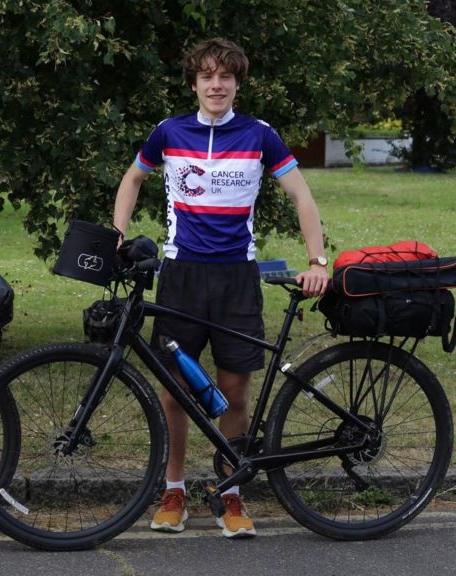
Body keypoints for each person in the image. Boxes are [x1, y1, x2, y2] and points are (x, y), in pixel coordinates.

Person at [112, 38, 329, 539]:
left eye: (225, 77)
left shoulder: (259, 135)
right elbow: (132, 180)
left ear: (236, 84)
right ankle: (174, 489)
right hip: (182, 275)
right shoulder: (168, 132)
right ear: (194, 83)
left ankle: (231, 492)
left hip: (236, 277)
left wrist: (317, 260)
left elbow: (301, 195)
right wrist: (118, 237)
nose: (216, 85)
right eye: (207, 76)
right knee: (175, 391)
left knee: (233, 391)